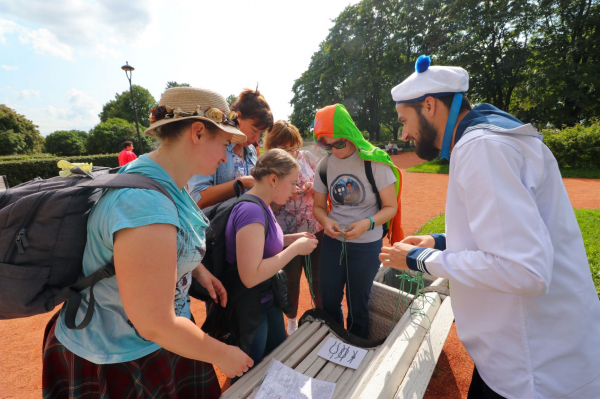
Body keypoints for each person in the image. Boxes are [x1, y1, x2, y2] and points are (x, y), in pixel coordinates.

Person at [381, 55, 600, 398]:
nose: (404, 133)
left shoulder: (481, 146)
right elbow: (503, 235)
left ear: (429, 105)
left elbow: (524, 269)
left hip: (532, 372)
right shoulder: (489, 137)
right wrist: (439, 241)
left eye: (403, 120)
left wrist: (418, 258)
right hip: (525, 356)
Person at [43, 87, 254, 398]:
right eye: (223, 142)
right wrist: (223, 354)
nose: (226, 155)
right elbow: (154, 323)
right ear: (197, 132)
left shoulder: (159, 176)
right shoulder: (145, 204)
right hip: (119, 354)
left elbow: (166, 241)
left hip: (150, 342)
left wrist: (197, 270)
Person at [312, 104, 403, 339]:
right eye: (326, 145)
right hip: (334, 242)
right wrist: (325, 221)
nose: (333, 150)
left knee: (358, 302)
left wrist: (367, 223)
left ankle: (357, 348)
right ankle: (334, 342)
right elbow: (319, 207)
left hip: (366, 243)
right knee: (329, 298)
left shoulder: (374, 162)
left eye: (339, 143)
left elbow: (390, 207)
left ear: (351, 135)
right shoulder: (324, 166)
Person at [224, 149, 318, 366]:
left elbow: (262, 242)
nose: (296, 188)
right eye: (292, 183)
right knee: (251, 370)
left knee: (277, 359)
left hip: (266, 300)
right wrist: (295, 249)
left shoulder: (261, 203)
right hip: (251, 307)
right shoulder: (251, 211)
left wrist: (291, 239)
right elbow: (251, 275)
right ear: (273, 179)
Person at [264, 120, 324, 335]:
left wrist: (313, 187)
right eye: (284, 148)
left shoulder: (307, 158)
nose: (291, 152)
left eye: (293, 147)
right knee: (290, 280)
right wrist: (284, 196)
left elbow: (322, 184)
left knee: (317, 277)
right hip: (286, 233)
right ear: (273, 147)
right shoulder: (269, 166)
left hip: (313, 226)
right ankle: (292, 320)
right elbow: (267, 205)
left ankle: (321, 316)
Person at [188, 88, 274, 208]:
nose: (256, 139)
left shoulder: (252, 151)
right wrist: (242, 183)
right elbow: (197, 198)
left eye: (261, 133)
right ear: (237, 117)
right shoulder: (212, 146)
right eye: (254, 130)